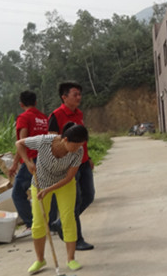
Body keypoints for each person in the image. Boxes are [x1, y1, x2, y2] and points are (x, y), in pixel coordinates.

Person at [16, 122, 89, 274]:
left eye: (81, 145)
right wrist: (27, 162)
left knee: (68, 219)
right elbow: (19, 144)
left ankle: (71, 259)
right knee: (38, 223)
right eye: (75, 145)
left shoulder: (78, 152)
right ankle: (40, 259)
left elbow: (69, 177)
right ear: (65, 140)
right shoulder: (44, 141)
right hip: (40, 183)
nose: (78, 149)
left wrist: (49, 190)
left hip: (64, 185)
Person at [48, 82, 95, 251]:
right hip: (68, 165)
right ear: (64, 97)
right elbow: (52, 142)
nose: (79, 97)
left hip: (83, 162)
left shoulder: (79, 114)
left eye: (80, 94)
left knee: (88, 196)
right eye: (75, 94)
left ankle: (60, 222)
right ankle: (76, 240)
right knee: (74, 202)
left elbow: (82, 139)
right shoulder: (56, 116)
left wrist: (88, 157)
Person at [9, 91, 49, 239]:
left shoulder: (24, 118)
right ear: (36, 102)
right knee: (45, 191)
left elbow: (22, 143)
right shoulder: (43, 118)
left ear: (21, 104)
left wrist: (15, 164)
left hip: (32, 160)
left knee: (17, 193)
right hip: (46, 158)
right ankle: (50, 223)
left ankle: (31, 224)